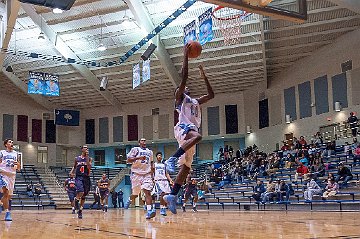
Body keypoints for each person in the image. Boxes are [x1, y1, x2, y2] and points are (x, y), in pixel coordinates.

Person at [164, 44, 214, 214]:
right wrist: (185, 55)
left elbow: (211, 95)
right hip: (183, 128)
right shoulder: (180, 99)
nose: (185, 87)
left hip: (189, 133)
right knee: (198, 136)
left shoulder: (194, 102)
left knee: (186, 168)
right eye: (182, 87)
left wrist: (204, 76)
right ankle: (171, 159)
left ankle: (172, 195)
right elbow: (184, 77)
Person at [124, 138, 155, 219]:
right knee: (136, 193)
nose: (144, 142)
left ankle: (149, 211)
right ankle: (130, 199)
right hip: (136, 174)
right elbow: (128, 160)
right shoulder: (135, 149)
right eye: (142, 140)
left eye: (145, 140)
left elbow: (151, 163)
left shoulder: (150, 152)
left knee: (147, 192)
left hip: (147, 174)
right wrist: (138, 158)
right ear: (139, 143)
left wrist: (152, 173)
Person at [0, 139, 21, 221]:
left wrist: (18, 165)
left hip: (12, 175)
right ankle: (7, 213)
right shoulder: (1, 153)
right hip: (2, 174)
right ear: (6, 145)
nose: (11, 143)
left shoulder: (17, 154)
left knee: (8, 197)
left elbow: (19, 168)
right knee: (6, 192)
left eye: (12, 142)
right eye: (9, 142)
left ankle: (1, 203)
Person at [70, 145, 92, 219]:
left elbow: (89, 167)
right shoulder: (77, 158)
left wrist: (87, 158)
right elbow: (75, 166)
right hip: (79, 176)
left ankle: (80, 210)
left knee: (84, 195)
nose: (86, 149)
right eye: (85, 148)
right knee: (81, 191)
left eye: (87, 148)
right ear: (82, 149)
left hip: (86, 177)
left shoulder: (89, 158)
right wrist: (72, 171)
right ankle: (76, 200)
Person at [153, 152, 173, 216]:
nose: (159, 157)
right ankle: (162, 209)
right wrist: (152, 179)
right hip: (158, 181)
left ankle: (164, 207)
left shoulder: (164, 165)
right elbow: (152, 173)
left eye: (160, 156)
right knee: (162, 194)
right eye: (158, 155)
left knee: (166, 196)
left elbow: (166, 173)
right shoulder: (154, 164)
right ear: (156, 157)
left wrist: (170, 180)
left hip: (165, 181)